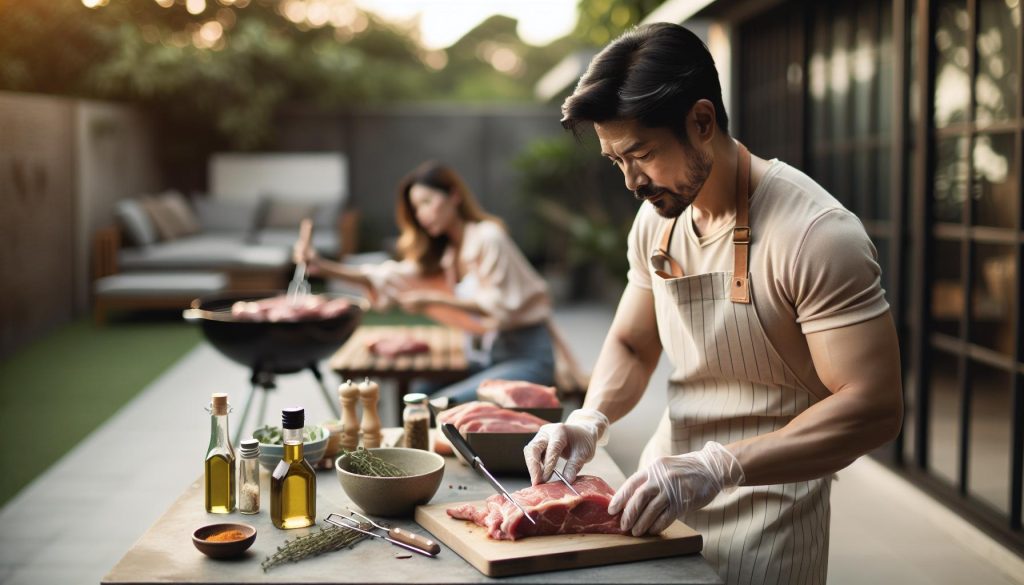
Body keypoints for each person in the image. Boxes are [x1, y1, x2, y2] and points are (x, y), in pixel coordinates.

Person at [523, 22, 903, 585]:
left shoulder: (816, 235)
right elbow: (632, 341)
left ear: (702, 122)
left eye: (643, 154)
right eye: (616, 161)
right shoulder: (657, 219)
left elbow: (874, 406)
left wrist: (718, 465)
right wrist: (589, 417)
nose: (632, 182)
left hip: (771, 511)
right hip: (654, 498)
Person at [294, 160, 564, 404]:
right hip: (487, 357)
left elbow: (499, 305)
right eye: (415, 208)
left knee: (434, 407)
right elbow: (390, 275)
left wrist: (433, 300)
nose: (421, 214)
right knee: (419, 391)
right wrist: (326, 267)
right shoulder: (448, 253)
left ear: (454, 196)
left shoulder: (488, 237)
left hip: (526, 359)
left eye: (426, 202)